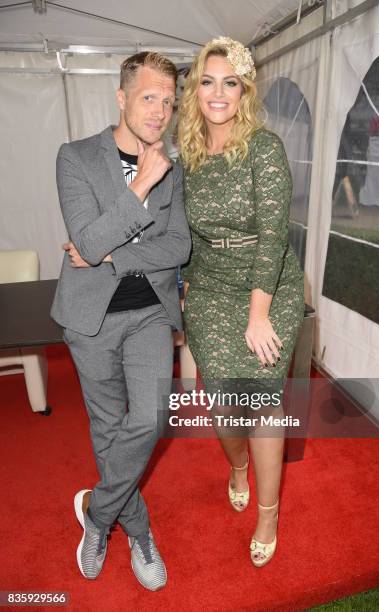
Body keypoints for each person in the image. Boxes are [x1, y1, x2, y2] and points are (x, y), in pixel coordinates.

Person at [51, 51, 191, 589]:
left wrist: (114, 254)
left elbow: (178, 246)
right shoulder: (75, 157)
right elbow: (83, 240)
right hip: (90, 316)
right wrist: (139, 187)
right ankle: (138, 532)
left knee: (153, 415)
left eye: (169, 102)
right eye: (149, 97)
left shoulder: (171, 168)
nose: (160, 111)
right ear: (122, 97)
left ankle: (98, 514)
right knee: (108, 430)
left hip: (150, 311)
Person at [178, 37, 304, 567]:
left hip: (267, 284)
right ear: (196, 91)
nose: (218, 92)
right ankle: (236, 467)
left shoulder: (264, 147)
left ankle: (270, 513)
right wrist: (184, 286)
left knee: (262, 404)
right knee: (223, 403)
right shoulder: (185, 152)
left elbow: (274, 236)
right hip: (208, 285)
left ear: (244, 89)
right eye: (208, 81)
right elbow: (177, 230)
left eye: (230, 81)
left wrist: (258, 315)